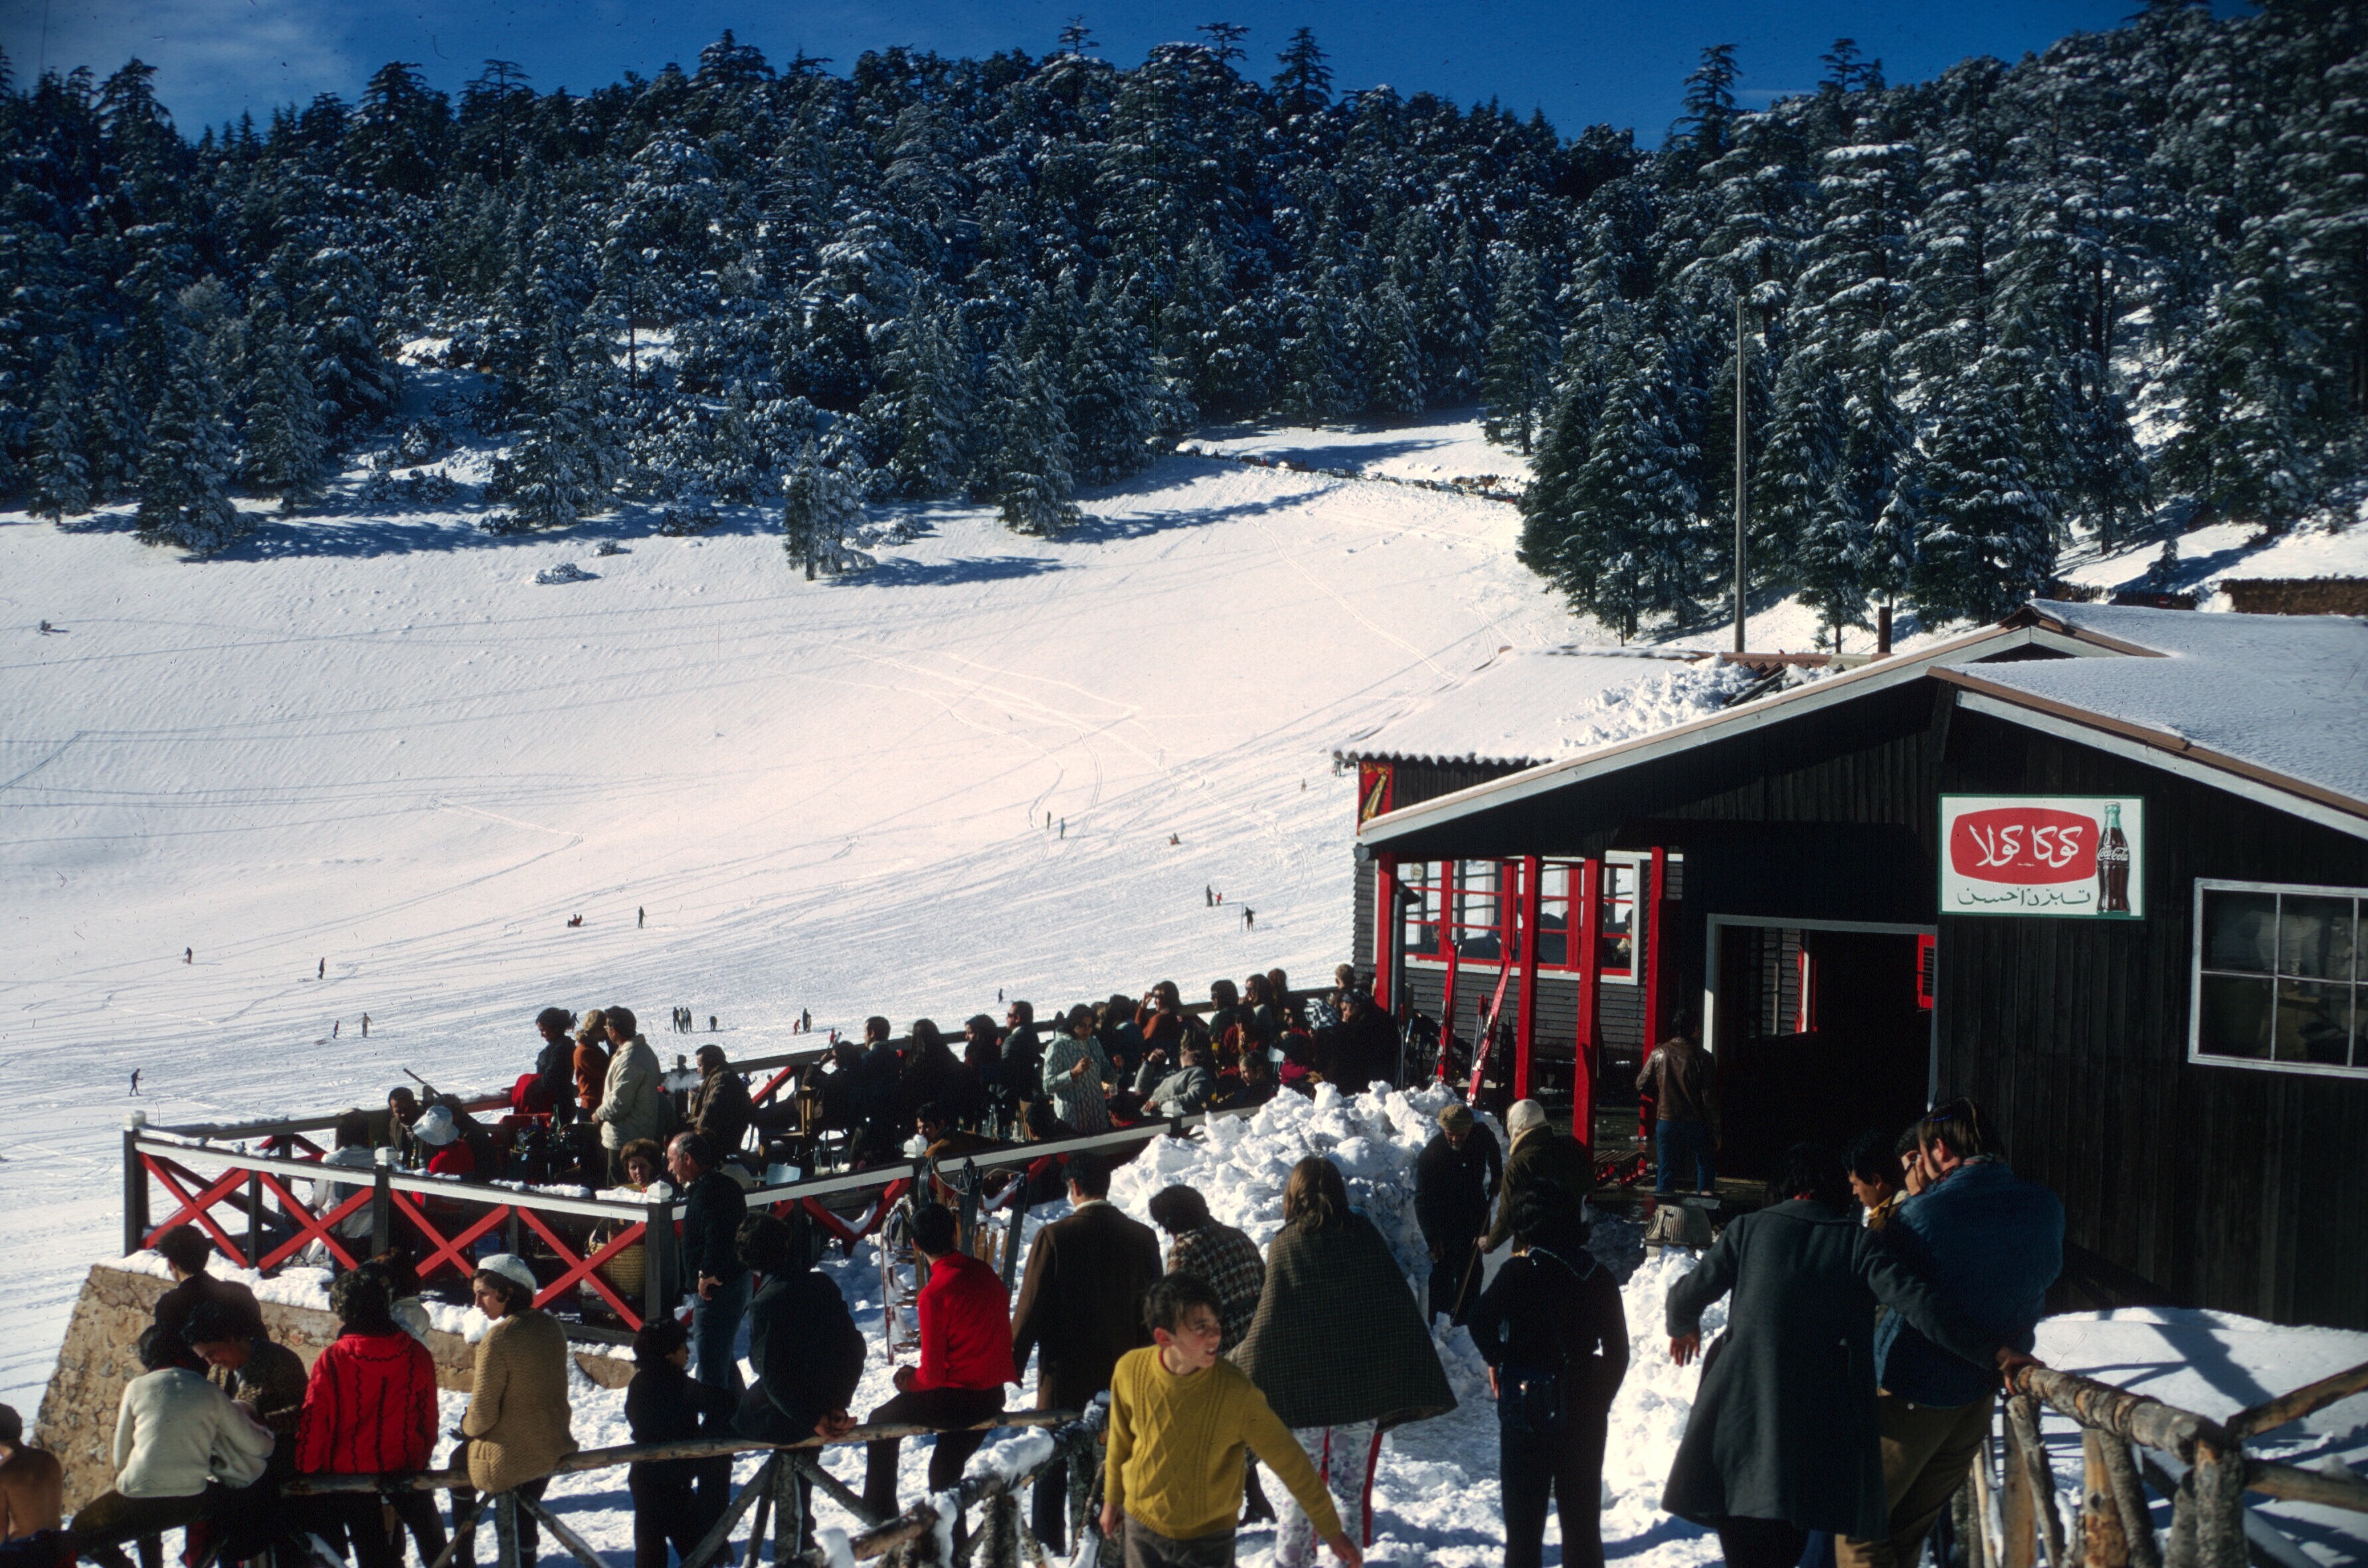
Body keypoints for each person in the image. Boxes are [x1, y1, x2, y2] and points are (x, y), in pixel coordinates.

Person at [1661, 1143, 2035, 1568]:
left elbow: (1687, 1295)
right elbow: (1921, 1306)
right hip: (1812, 1434)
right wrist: (1996, 1354)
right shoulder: (1857, 1244)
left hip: (1740, 1422)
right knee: (1788, 1544)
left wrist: (1683, 1326)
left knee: (1745, 1545)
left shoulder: (1747, 1230)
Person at [1837, 1102, 2064, 1568]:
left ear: (1938, 1149)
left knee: (1858, 1528)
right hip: (1977, 1398)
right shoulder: (2045, 1205)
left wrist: (1915, 1201)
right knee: (1905, 1532)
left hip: (1912, 1391)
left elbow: (1874, 1272)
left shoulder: (1924, 1214)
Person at [1235, 1158, 1455, 1567]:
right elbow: (1394, 1304)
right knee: (1349, 1496)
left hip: (1306, 1402)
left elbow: (1268, 1324)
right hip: (1359, 1398)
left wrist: (1230, 1370)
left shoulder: (1287, 1244)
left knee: (1301, 1495)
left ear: (1293, 1195)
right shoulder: (1364, 1236)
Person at [1103, 1273, 1362, 1568]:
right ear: (1164, 1337)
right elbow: (1120, 1441)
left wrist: (1332, 1530)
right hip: (1142, 1529)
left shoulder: (1236, 1393)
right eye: (1201, 1327)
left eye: (1216, 1324)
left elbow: (1291, 1462)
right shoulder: (1130, 1371)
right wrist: (1112, 1500)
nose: (1215, 1335)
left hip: (1208, 1540)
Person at [1467, 1183, 1627, 1568]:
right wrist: (1596, 1397)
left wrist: (1499, 1359)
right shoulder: (1597, 1275)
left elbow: (1479, 1320)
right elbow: (1619, 1354)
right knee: (1583, 1529)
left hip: (1527, 1410)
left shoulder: (1519, 1271)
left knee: (1524, 1534)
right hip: (1584, 1412)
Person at [1010, 1152, 1162, 1551]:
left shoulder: (1054, 1237)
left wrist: (1007, 1367)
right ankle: (1107, 1547)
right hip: (1124, 1380)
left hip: (1065, 1382)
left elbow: (1029, 1311)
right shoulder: (1142, 1237)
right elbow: (1153, 1313)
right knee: (1113, 1472)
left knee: (1052, 1468)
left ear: (1074, 1188)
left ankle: (1048, 1549)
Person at [70, 1326, 273, 1568]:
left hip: (139, 1497)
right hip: (190, 1500)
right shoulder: (209, 1391)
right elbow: (257, 1447)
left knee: (78, 1531)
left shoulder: (137, 1387)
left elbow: (120, 1459)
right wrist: (264, 1428)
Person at [862, 1203, 1015, 1518]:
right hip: (992, 1395)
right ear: (955, 1234)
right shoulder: (984, 1273)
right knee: (943, 1477)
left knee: (880, 1421)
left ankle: (880, 1518)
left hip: (957, 1402)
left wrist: (908, 1381)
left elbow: (931, 1376)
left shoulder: (935, 1294)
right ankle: (952, 1552)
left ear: (915, 1245)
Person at [733, 1215, 864, 1557]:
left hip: (792, 1411)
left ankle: (791, 1540)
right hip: (822, 1401)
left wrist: (812, 1417)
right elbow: (854, 1347)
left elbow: (772, 1372)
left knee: (740, 1428)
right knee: (799, 1474)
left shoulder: (766, 1301)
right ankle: (798, 1534)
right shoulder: (822, 1285)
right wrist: (837, 1403)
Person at [294, 1268, 440, 1568]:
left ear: (343, 1312)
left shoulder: (334, 1359)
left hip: (351, 1475)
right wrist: (420, 1454)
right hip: (405, 1466)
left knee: (371, 1551)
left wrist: (305, 1469)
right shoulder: (416, 1353)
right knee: (434, 1543)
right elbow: (428, 1416)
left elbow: (315, 1420)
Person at [449, 1255, 578, 1568]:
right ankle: (526, 1559)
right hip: (553, 1441)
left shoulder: (499, 1338)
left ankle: (463, 1558)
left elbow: (482, 1415)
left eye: (484, 1293)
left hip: (512, 1453)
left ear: (508, 1291)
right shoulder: (551, 1326)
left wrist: (467, 1426)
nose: (476, 1302)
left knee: (456, 1463)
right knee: (525, 1509)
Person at [624, 1318, 735, 1568]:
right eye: (682, 1347)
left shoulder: (640, 1383)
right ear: (668, 1354)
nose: (687, 1352)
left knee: (650, 1550)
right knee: (696, 1551)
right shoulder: (679, 1386)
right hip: (672, 1482)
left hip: (645, 1477)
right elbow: (723, 1401)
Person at [668, 1133, 750, 1395]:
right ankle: (739, 1414)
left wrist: (706, 1273)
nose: (669, 1168)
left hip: (718, 1288)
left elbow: (720, 1235)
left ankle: (716, 1428)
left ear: (687, 1159)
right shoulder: (723, 1184)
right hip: (735, 1281)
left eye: (671, 1161)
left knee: (711, 1364)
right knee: (721, 1357)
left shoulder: (708, 1192)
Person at [182, 1302, 307, 1463]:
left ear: (230, 1338)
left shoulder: (279, 1361)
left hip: (274, 1459)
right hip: (235, 1459)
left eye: (212, 1353)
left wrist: (260, 1420)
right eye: (205, 1357)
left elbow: (302, 1413)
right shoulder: (218, 1370)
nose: (211, 1362)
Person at [1144, 1187, 1264, 1353]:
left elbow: (1173, 1316)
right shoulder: (1239, 1238)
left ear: (1169, 1224)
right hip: (1260, 1344)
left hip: (1219, 1357)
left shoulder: (1184, 1252)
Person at [1415, 1103, 1503, 1324]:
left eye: (1460, 1134)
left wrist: (1497, 1175)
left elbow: (1493, 1147)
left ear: (1470, 1129)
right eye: (1449, 1134)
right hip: (1445, 1216)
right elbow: (1422, 1199)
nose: (1455, 1139)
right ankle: (1442, 1322)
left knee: (1472, 1266)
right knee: (1444, 1268)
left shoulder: (1480, 1134)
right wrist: (1432, 1238)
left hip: (1475, 1212)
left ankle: (1466, 1321)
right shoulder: (1432, 1155)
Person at [1483, 1101, 1592, 1253]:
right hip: (1572, 1239)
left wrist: (1490, 1242)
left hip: (1534, 1244)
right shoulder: (1570, 1149)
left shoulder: (1518, 1164)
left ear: (1517, 1127)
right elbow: (1588, 1185)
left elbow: (1508, 1214)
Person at [1635, 1033, 1719, 1198]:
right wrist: (1716, 1130)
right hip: (1696, 1121)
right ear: (1695, 1030)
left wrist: (1660, 1096)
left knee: (1666, 1169)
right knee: (1705, 1164)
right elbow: (1709, 1099)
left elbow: (1641, 1084)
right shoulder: (1704, 1057)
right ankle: (1704, 1208)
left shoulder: (1659, 1052)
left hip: (1667, 1120)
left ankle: (1664, 1213)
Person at [149, 1226, 261, 1348]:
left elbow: (167, 1352)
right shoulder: (240, 1291)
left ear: (172, 1263)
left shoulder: (170, 1303)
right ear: (207, 1255)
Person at [595, 1007, 663, 1183]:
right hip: (640, 1131)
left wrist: (599, 1114)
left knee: (622, 1189)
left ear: (613, 1030)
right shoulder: (643, 1051)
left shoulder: (629, 1059)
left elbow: (619, 1104)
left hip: (624, 1137)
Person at [307, 1112, 381, 1257]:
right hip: (370, 1225)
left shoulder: (331, 1159)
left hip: (336, 1225)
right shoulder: (377, 1160)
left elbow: (318, 1199)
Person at [1042, 1006, 1113, 1136]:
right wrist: (1073, 1073)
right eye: (1082, 1025)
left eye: (1090, 1026)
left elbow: (1108, 1076)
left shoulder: (1094, 1043)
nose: (1087, 1030)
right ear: (1072, 1024)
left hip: (1097, 1117)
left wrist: (1117, 1067)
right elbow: (1048, 1086)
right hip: (1072, 1119)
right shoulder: (1057, 1047)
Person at [1311, 988, 1396, 1092]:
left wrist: (1344, 1026)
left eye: (1345, 1009)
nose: (1345, 1014)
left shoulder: (1365, 1023)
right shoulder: (1375, 1015)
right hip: (1379, 1069)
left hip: (1372, 1074)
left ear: (1356, 1004)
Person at [0, 1405, 62, 1544]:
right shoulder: (49, 1459)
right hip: (58, 1550)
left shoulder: (3, 1473)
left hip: (25, 1555)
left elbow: (0, 1532)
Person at [688, 1045, 752, 1162]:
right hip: (723, 1140)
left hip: (719, 1144)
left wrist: (692, 1139)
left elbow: (708, 1115)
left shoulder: (720, 1080)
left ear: (710, 1062)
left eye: (700, 1065)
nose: (698, 1070)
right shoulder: (723, 1076)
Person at [1845, 1130, 1905, 1230]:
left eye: (1855, 1184)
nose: (1854, 1192)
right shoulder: (1857, 1211)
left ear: (1876, 1181)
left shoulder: (1899, 1222)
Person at [1141, 1043, 1217, 1116]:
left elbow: (1195, 1097)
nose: (1183, 1050)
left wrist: (1159, 1103)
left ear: (1198, 1056)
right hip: (1145, 1117)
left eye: (1190, 1048)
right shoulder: (1170, 1074)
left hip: (1161, 1121)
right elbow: (1141, 1089)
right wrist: (1150, 1062)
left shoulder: (1198, 1072)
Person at [532, 1008, 579, 1124]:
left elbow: (550, 1079)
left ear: (554, 1027)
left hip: (558, 1106)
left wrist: (531, 1086)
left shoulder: (562, 1048)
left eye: (543, 1030)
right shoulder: (559, 1046)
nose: (542, 1035)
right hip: (556, 1104)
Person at [573, 1010, 612, 1119]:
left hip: (597, 1106)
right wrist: (613, 1049)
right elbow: (608, 1073)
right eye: (605, 1029)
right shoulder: (585, 1052)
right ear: (598, 1030)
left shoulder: (590, 1048)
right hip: (593, 1108)